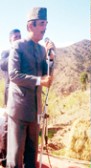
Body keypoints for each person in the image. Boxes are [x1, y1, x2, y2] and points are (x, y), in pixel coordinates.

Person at [6, 7, 55, 167]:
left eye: (45, 23)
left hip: (36, 112)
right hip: (19, 111)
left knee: (31, 156)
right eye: (41, 23)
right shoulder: (18, 46)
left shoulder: (42, 50)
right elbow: (13, 75)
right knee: (16, 157)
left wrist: (51, 60)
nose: (44, 27)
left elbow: (47, 75)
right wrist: (38, 81)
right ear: (30, 26)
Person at [0, 29, 21, 106]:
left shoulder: (25, 53)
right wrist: (14, 53)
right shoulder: (6, 52)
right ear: (10, 40)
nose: (18, 38)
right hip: (10, 93)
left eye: (20, 36)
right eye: (16, 37)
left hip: (23, 94)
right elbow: (2, 65)